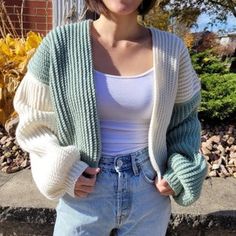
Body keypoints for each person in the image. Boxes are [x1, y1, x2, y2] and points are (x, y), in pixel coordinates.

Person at [13, 0, 208, 235]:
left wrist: (179, 170)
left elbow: (185, 120)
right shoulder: (60, 44)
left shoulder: (171, 50)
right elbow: (33, 120)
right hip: (84, 193)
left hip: (149, 194)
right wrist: (64, 171)